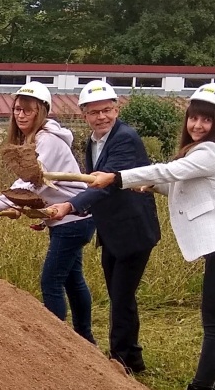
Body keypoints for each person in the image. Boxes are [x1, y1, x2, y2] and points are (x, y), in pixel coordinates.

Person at [84, 82, 215, 390]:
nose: (197, 126)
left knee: (214, 323)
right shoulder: (205, 153)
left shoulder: (211, 152)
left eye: (206, 120)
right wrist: (149, 186)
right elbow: (175, 183)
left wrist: (116, 177)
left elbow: (169, 171)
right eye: (193, 118)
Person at [44, 80, 160, 373]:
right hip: (111, 231)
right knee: (119, 293)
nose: (102, 117)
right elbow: (89, 182)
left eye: (107, 110)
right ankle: (131, 356)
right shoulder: (94, 141)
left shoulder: (125, 138)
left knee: (120, 296)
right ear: (83, 114)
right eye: (94, 112)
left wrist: (69, 207)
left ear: (116, 108)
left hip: (133, 230)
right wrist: (52, 208)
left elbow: (105, 185)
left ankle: (122, 360)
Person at [0, 82, 93, 341]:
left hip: (71, 220)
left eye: (28, 110)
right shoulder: (34, 139)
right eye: (18, 109)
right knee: (73, 281)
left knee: (50, 283)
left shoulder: (46, 140)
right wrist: (35, 211)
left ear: (42, 112)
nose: (21, 115)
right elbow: (42, 188)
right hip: (68, 220)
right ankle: (85, 340)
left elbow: (26, 184)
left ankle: (57, 344)